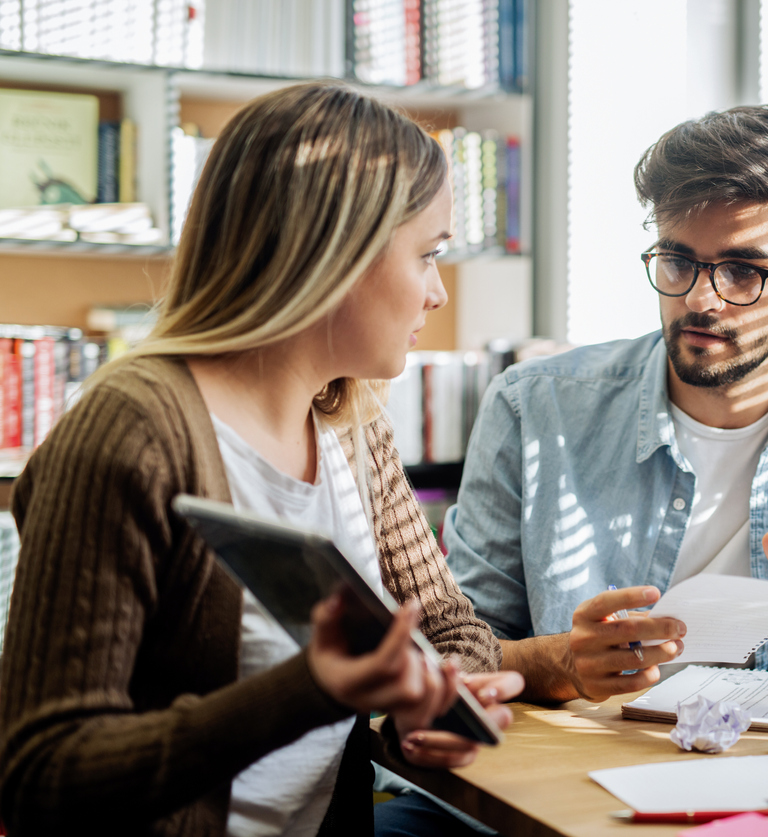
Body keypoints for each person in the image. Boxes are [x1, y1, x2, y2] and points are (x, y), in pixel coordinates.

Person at [0, 82, 522, 837]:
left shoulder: (350, 415)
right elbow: (43, 774)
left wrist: (438, 699)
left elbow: (447, 621)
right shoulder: (135, 430)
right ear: (333, 255)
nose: (438, 294)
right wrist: (307, 689)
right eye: (428, 255)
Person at [445, 104, 768, 702]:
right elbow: (455, 651)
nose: (700, 298)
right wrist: (560, 660)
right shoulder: (534, 409)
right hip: (579, 776)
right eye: (679, 261)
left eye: (743, 271)